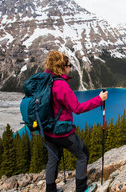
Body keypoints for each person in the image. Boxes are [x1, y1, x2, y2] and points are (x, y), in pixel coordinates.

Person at [44, 50, 108, 192]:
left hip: (47, 130)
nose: (69, 68)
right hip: (62, 132)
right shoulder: (61, 85)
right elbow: (77, 108)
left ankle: (51, 190)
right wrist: (99, 99)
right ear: (62, 67)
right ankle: (81, 189)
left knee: (53, 159)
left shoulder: (45, 80)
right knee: (82, 154)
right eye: (68, 65)